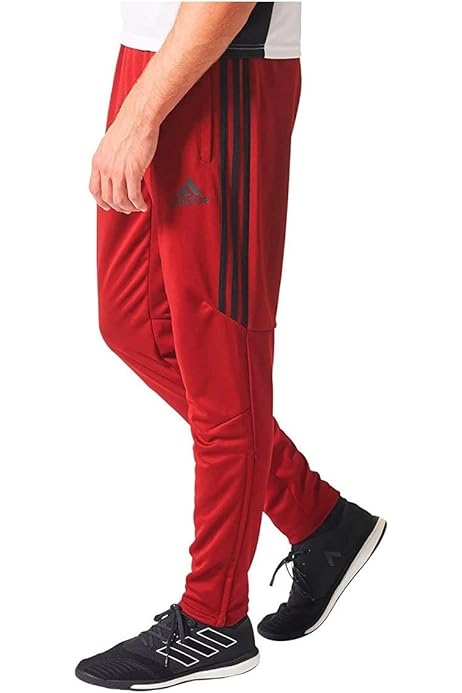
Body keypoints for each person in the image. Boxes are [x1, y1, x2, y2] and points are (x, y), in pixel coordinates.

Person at [76, 2, 386, 689]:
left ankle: (213, 617)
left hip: (225, 67)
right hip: (152, 55)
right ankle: (319, 519)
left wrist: (141, 113)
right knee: (136, 326)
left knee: (222, 358)